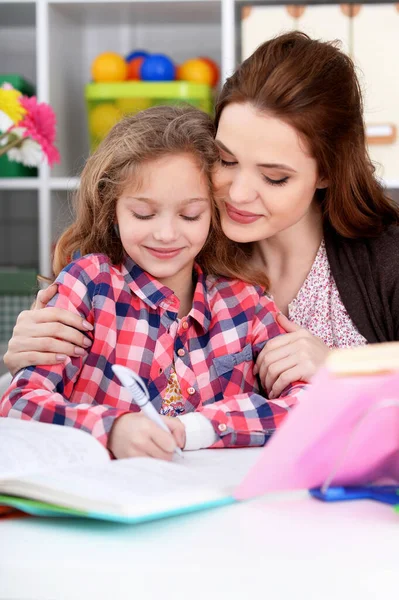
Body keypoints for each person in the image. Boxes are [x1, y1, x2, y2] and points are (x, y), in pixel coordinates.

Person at [5, 31, 399, 396]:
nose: (239, 194)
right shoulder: (181, 243)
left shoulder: (384, 258)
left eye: (275, 177)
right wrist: (32, 350)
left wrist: (344, 366)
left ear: (327, 172)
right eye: (226, 160)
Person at [0, 105, 306, 461]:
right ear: (112, 210)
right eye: (143, 214)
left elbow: (309, 403)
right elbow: (20, 405)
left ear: (214, 212)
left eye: (190, 215)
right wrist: (112, 430)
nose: (165, 234)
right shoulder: (89, 286)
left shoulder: (244, 301)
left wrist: (201, 428)